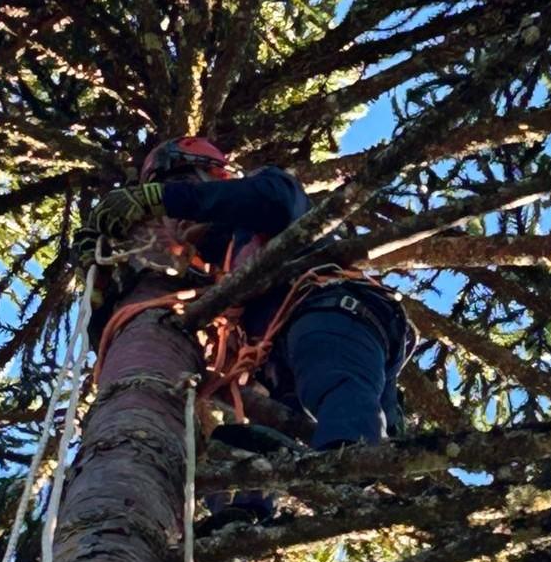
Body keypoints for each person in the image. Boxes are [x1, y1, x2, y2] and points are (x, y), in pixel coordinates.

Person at [73, 137, 413, 456]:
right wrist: (104, 281)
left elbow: (274, 200)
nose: (175, 219)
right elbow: (134, 337)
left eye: (179, 186)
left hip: (328, 310)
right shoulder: (208, 273)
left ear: (217, 176)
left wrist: (161, 197)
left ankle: (351, 465)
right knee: (243, 444)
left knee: (333, 387)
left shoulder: (265, 196)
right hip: (284, 364)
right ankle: (258, 511)